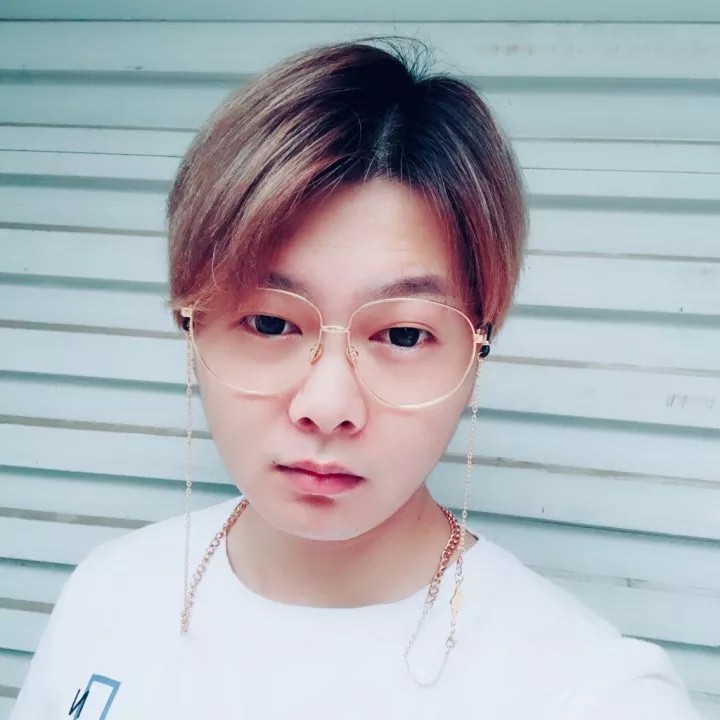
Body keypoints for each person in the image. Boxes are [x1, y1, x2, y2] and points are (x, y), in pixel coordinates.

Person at [11, 39, 700, 720]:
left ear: (477, 348)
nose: (327, 405)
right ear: (190, 325)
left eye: (402, 335)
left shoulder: (593, 694)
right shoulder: (108, 593)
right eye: (271, 323)